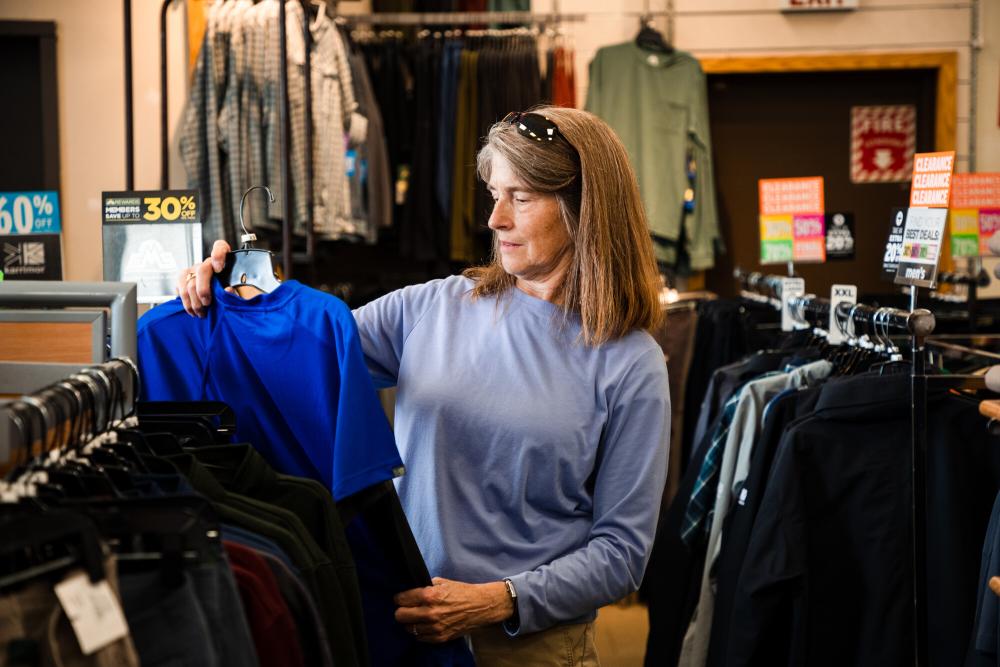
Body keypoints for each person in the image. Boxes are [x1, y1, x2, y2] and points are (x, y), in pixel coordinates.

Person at [177, 106, 670, 667]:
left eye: (522, 197)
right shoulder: (432, 307)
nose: (495, 219)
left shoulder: (630, 363)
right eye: (493, 193)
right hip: (404, 636)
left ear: (584, 208)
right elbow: (294, 351)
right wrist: (232, 290)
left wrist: (497, 601)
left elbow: (621, 553)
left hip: (529, 648)